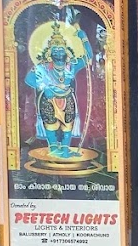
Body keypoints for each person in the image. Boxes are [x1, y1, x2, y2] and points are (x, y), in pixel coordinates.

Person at [25, 17, 94, 159]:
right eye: (54, 50)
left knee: (67, 125)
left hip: (67, 97)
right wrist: (44, 87)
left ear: (66, 51)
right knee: (51, 124)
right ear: (49, 53)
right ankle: (53, 149)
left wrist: (83, 37)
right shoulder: (42, 67)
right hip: (48, 99)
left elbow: (88, 56)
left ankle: (65, 150)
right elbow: (29, 79)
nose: (58, 52)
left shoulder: (72, 66)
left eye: (60, 49)